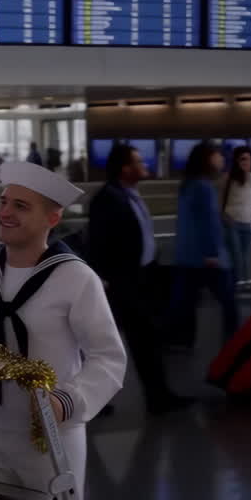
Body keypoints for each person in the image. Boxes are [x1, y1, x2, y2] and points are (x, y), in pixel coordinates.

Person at [0, 162, 126, 500]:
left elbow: (108, 357)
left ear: (51, 218)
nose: (5, 212)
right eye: (4, 202)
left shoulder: (75, 278)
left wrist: (71, 400)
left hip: (51, 436)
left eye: (20, 206)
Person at [88, 143, 189, 414]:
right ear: (125, 168)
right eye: (138, 161)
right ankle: (90, 398)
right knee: (105, 342)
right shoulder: (108, 198)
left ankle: (159, 396)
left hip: (141, 279)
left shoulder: (130, 195)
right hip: (122, 282)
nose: (145, 165)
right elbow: (99, 242)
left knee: (146, 339)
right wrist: (106, 278)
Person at [171, 143, 238, 348]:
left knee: (186, 302)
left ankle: (183, 340)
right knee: (228, 300)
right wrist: (212, 252)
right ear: (207, 159)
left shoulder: (188, 185)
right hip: (208, 258)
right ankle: (234, 340)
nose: (222, 160)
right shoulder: (203, 186)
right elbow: (209, 222)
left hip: (187, 256)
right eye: (218, 156)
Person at [222, 145, 251, 286]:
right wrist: (225, 218)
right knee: (236, 259)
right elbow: (220, 201)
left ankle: (242, 287)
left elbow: (250, 205)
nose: (246, 162)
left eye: (248, 159)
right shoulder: (228, 178)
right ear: (236, 161)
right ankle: (234, 288)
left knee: (245, 260)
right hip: (233, 224)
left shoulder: (250, 179)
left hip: (247, 224)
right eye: (243, 159)